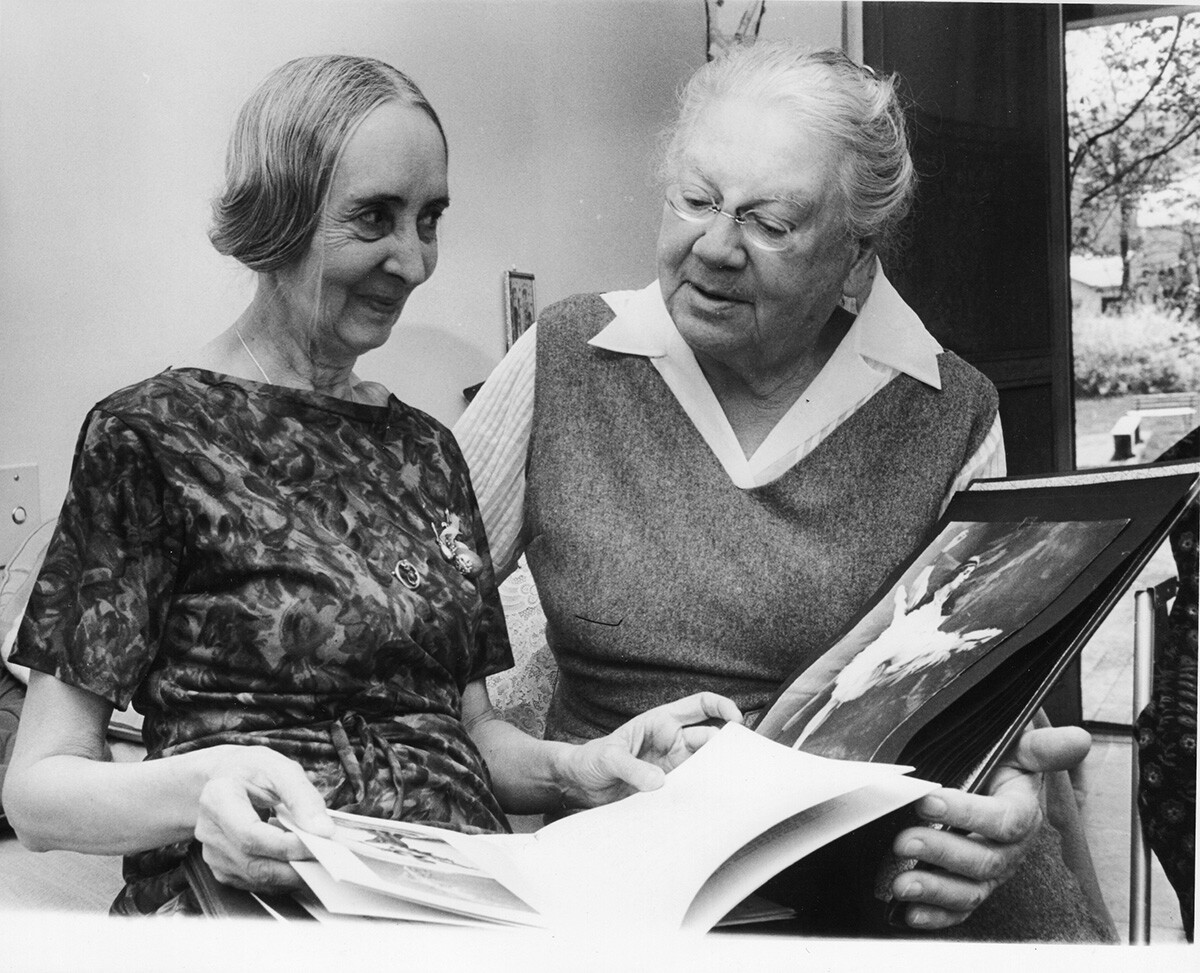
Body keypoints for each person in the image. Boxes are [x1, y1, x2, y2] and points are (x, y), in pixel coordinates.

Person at [0, 55, 741, 916]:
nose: (415, 259)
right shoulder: (152, 435)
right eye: (374, 219)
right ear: (279, 212)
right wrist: (203, 786)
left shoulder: (426, 450)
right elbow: (39, 791)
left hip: (465, 896)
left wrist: (582, 767)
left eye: (430, 219)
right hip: (255, 903)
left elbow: (470, 735)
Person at [456, 44, 1115, 941]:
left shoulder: (947, 409)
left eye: (770, 223)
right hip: (638, 867)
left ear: (855, 257)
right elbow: (409, 617)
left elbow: (986, 694)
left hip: (881, 864)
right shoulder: (566, 359)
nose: (715, 247)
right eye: (695, 199)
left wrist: (1009, 800)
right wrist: (549, 765)